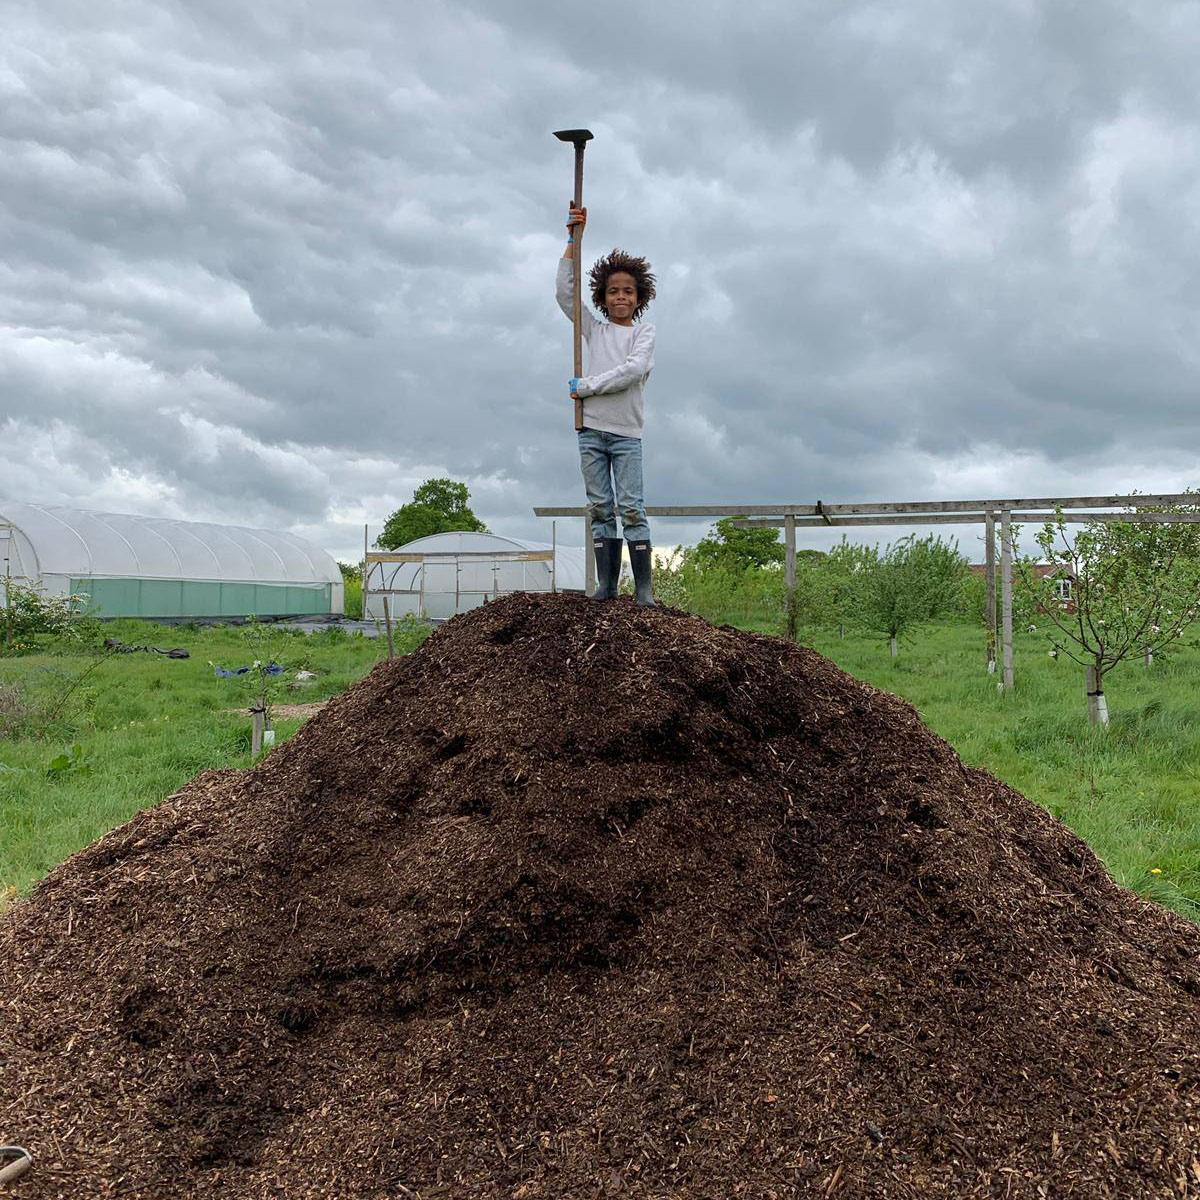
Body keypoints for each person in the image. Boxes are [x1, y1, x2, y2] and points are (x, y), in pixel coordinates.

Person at [557, 203, 657, 606]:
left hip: (626, 433)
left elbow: (633, 371)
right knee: (600, 507)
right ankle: (608, 587)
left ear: (638, 298)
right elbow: (564, 293)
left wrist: (586, 387)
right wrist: (571, 240)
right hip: (591, 431)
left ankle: (645, 591)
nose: (620, 296)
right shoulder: (593, 331)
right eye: (613, 291)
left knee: (631, 507)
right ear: (602, 296)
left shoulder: (643, 334)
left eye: (628, 291)